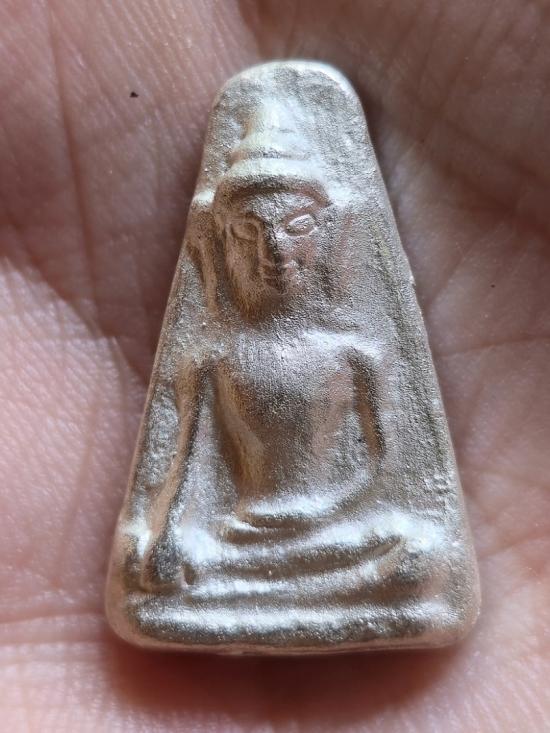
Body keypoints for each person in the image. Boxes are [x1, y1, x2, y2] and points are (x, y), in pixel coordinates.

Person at [1, 0, 549, 730]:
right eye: (248, 234)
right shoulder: (211, 356)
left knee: (419, 561)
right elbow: (181, 479)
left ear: (330, 236)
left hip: (344, 539)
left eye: (294, 228)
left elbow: (396, 482)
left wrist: (357, 527)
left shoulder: (357, 354)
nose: (272, 253)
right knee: (151, 570)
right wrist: (168, 540)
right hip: (235, 541)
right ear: (220, 242)